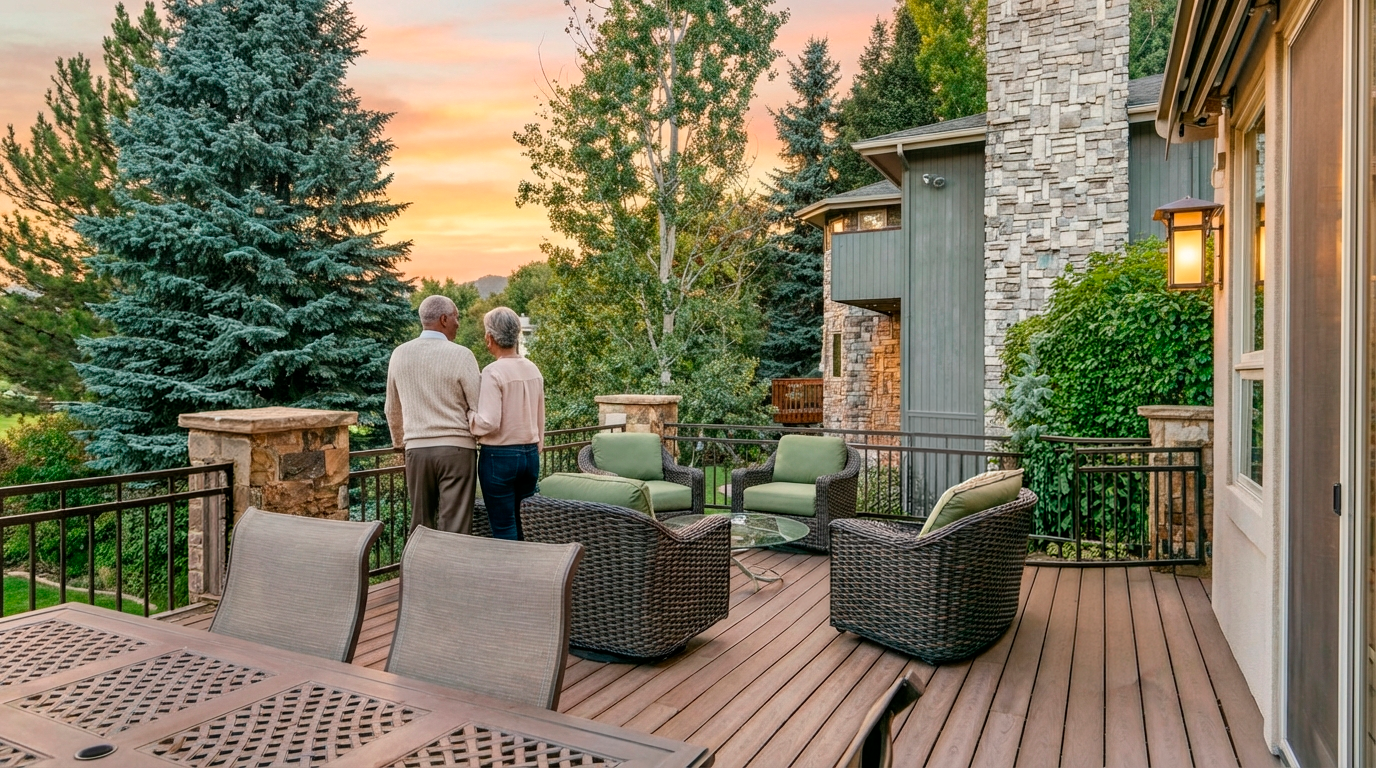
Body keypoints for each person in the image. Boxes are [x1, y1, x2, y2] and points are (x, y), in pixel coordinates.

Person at [385, 295, 482, 534]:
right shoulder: (462, 355)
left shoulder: (399, 354)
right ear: (444, 319)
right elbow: (479, 405)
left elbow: (392, 408)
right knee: (455, 526)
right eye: (456, 317)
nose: (459, 323)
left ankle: (418, 571)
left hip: (417, 449)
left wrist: (401, 443)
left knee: (420, 525)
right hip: (457, 450)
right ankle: (449, 572)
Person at [470, 306, 545, 540]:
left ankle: (508, 576)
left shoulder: (493, 372)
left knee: (503, 528)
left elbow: (488, 422)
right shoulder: (533, 369)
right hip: (530, 454)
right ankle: (524, 573)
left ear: (489, 338)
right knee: (522, 525)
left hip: (499, 457)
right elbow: (540, 416)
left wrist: (470, 417)